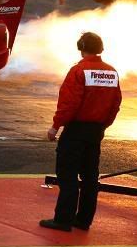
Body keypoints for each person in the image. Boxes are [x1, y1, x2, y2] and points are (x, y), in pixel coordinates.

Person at [40, 32, 122, 232]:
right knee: (90, 176)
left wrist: (55, 126)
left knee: (67, 174)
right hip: (96, 131)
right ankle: (84, 220)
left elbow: (69, 103)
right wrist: (103, 125)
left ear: (81, 47)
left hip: (76, 129)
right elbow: (116, 103)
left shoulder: (79, 71)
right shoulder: (112, 72)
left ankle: (63, 219)